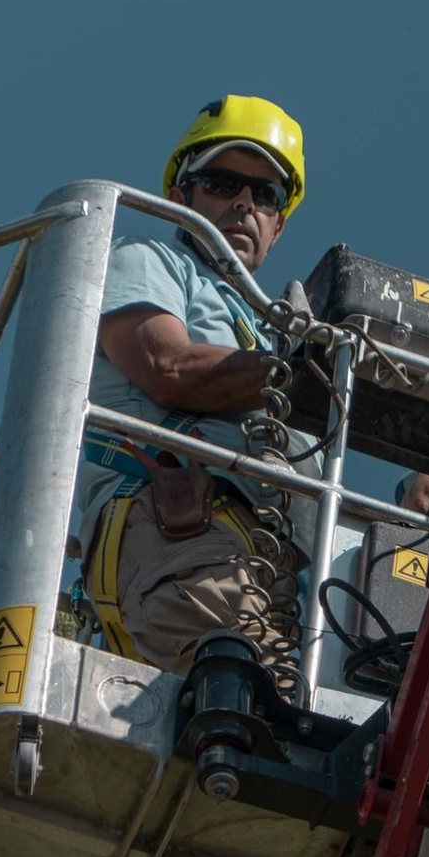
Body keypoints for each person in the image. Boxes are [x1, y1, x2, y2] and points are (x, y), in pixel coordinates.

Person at [76, 95, 310, 675]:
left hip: (270, 565)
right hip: (181, 529)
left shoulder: (269, 325)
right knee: (250, 701)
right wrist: (300, 373)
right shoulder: (152, 259)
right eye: (222, 183)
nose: (243, 204)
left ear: (278, 226)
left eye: (265, 195)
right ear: (181, 199)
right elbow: (167, 367)